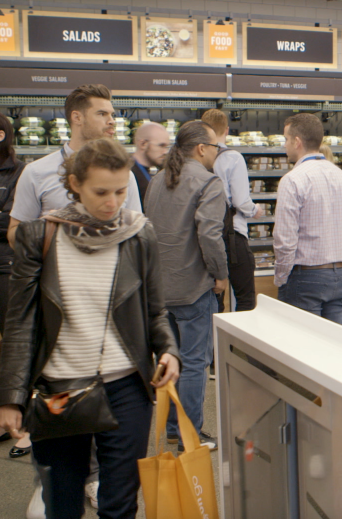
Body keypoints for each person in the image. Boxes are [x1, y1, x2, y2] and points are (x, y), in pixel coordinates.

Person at [0, 138, 180, 519]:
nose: (112, 202)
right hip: (59, 390)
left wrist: (168, 350)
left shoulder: (138, 234)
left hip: (126, 387)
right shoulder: (40, 236)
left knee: (120, 503)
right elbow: (20, 323)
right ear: (75, 183)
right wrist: (11, 397)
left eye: (120, 190)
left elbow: (155, 310)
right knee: (62, 502)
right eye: (101, 191)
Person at [144, 121, 227, 451]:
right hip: (194, 287)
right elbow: (209, 235)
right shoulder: (209, 182)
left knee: (168, 359)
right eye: (216, 147)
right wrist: (220, 273)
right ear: (202, 149)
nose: (218, 153)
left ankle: (173, 427)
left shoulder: (156, 180)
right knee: (194, 362)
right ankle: (190, 434)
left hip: (159, 289)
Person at [8, 84, 142, 247]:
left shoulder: (125, 175)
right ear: (77, 117)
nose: (111, 121)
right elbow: (14, 236)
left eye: (112, 115)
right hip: (57, 270)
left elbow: (136, 236)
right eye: (102, 114)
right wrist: (48, 227)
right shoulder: (36, 172)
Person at [274, 114, 342, 324]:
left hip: (305, 278)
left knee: (303, 348)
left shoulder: (292, 179)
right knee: (331, 346)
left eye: (286, 139)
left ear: (297, 142)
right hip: (339, 276)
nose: (284, 145)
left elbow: (285, 239)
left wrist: (281, 278)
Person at [201, 109, 263, 312]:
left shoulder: (199, 156)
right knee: (245, 299)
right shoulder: (233, 158)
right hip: (233, 236)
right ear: (226, 129)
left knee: (215, 298)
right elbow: (241, 200)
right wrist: (256, 210)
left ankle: (216, 342)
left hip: (208, 236)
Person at [0, 116, 25, 448]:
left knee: (12, 343)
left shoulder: (20, 172)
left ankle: (12, 414)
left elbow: (13, 221)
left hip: (7, 267)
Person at [130, 122, 170, 205]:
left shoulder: (145, 172)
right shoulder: (129, 174)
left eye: (166, 147)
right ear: (143, 144)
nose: (165, 152)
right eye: (161, 145)